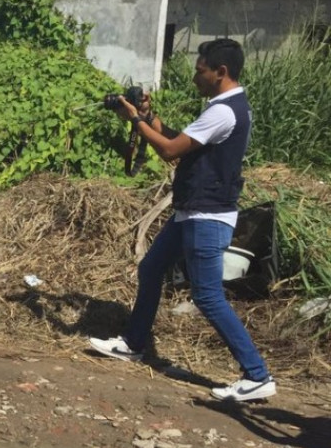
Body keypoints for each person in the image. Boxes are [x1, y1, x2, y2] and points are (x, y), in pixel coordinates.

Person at [90, 38, 275, 402]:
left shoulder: (224, 112)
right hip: (191, 211)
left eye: (200, 70)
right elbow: (180, 139)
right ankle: (133, 343)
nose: (195, 77)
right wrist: (148, 117)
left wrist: (134, 121)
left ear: (220, 72)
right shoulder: (222, 106)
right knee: (151, 269)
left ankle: (257, 374)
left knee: (207, 296)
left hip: (208, 215)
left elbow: (169, 151)